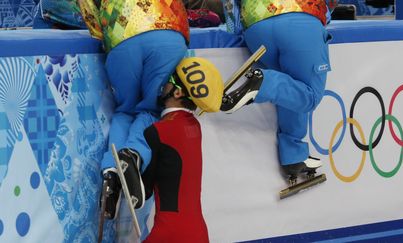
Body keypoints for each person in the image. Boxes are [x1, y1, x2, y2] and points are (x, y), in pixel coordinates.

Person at [78, 0, 190, 220]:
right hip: (168, 24)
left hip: (120, 31)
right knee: (152, 108)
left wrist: (103, 35)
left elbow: (86, 6)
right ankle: (134, 155)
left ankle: (111, 173)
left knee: (125, 110)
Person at [220, 0, 336, 180]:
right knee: (310, 95)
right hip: (300, 15)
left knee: (289, 87)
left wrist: (234, 27)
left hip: (255, 26)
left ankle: (294, 155)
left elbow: (229, 8)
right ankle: (262, 83)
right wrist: (324, 15)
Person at [141, 57, 223, 242]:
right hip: (199, 233)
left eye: (169, 80)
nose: (164, 85)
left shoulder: (158, 131)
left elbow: (143, 191)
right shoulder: (195, 126)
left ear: (177, 93)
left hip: (170, 232)